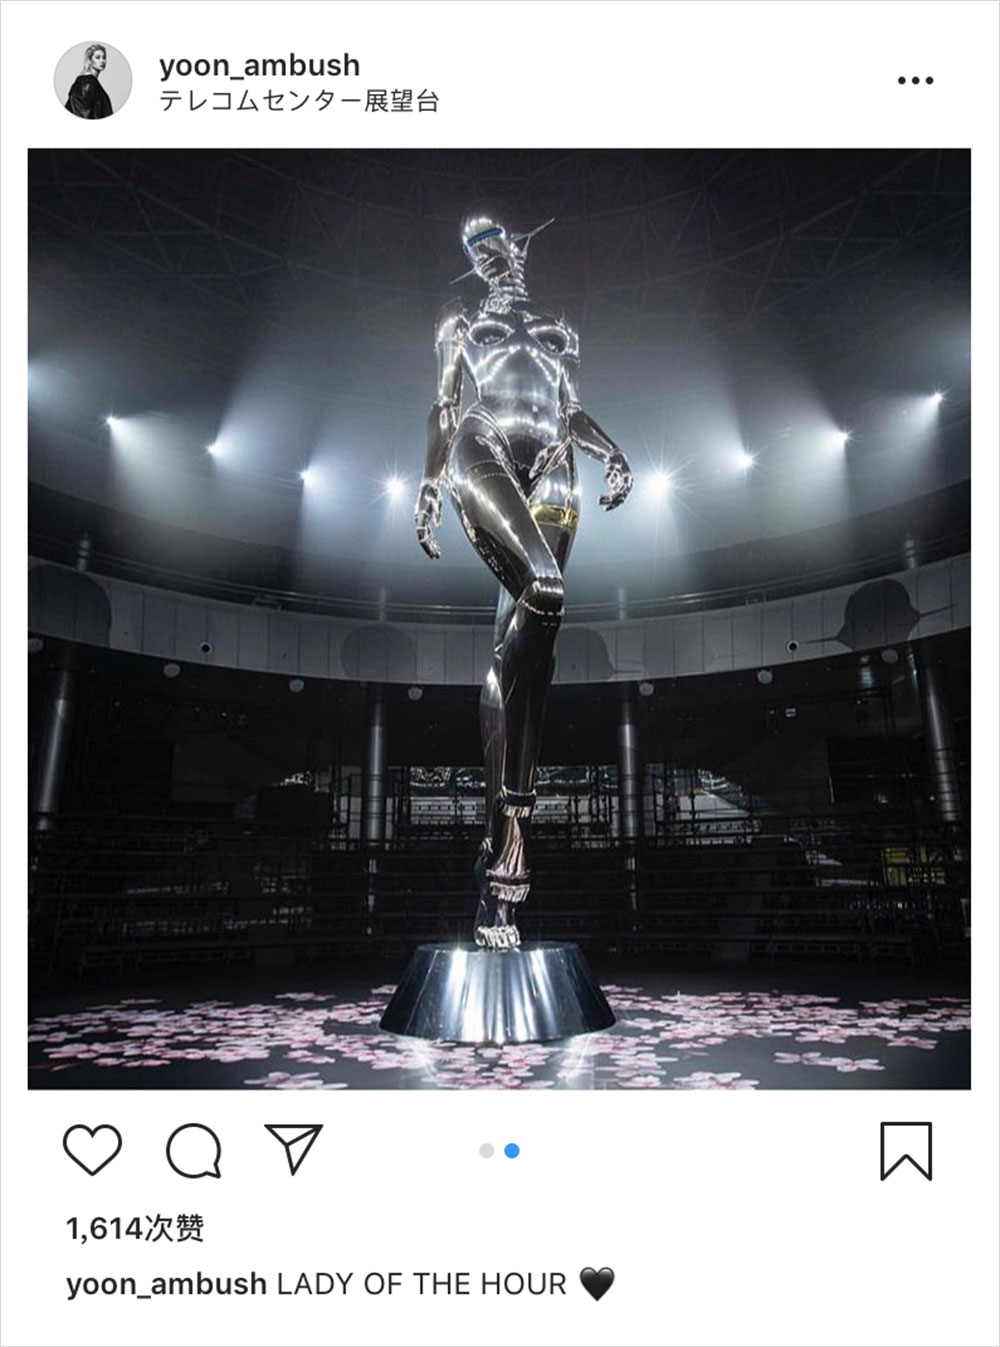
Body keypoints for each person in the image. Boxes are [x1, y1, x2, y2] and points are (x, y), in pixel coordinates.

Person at [414, 212, 633, 949]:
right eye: (472, 248)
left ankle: (495, 859)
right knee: (543, 591)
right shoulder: (458, 318)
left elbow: (571, 409)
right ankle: (512, 832)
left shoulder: (560, 327)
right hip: (483, 443)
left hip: (554, 462)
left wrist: (612, 451)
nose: (484, 254)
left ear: (518, 247)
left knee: (523, 646)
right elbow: (444, 405)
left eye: (492, 241)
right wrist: (428, 485)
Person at [65, 45, 113, 119]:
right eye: (97, 57)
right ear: (89, 60)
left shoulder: (91, 83)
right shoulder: (86, 84)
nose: (102, 61)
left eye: (104, 57)